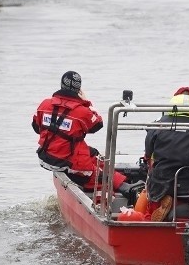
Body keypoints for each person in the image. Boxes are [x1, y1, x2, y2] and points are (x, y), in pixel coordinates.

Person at [32, 72, 143, 200]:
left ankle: (124, 184)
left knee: (94, 156)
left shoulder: (44, 105)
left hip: (46, 157)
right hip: (67, 162)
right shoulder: (81, 111)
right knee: (101, 181)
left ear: (62, 85)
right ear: (79, 89)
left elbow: (36, 128)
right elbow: (97, 124)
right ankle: (107, 204)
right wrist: (85, 101)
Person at [143, 87, 189, 221]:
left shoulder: (159, 125)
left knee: (151, 177)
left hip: (164, 180)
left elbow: (148, 155)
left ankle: (157, 207)